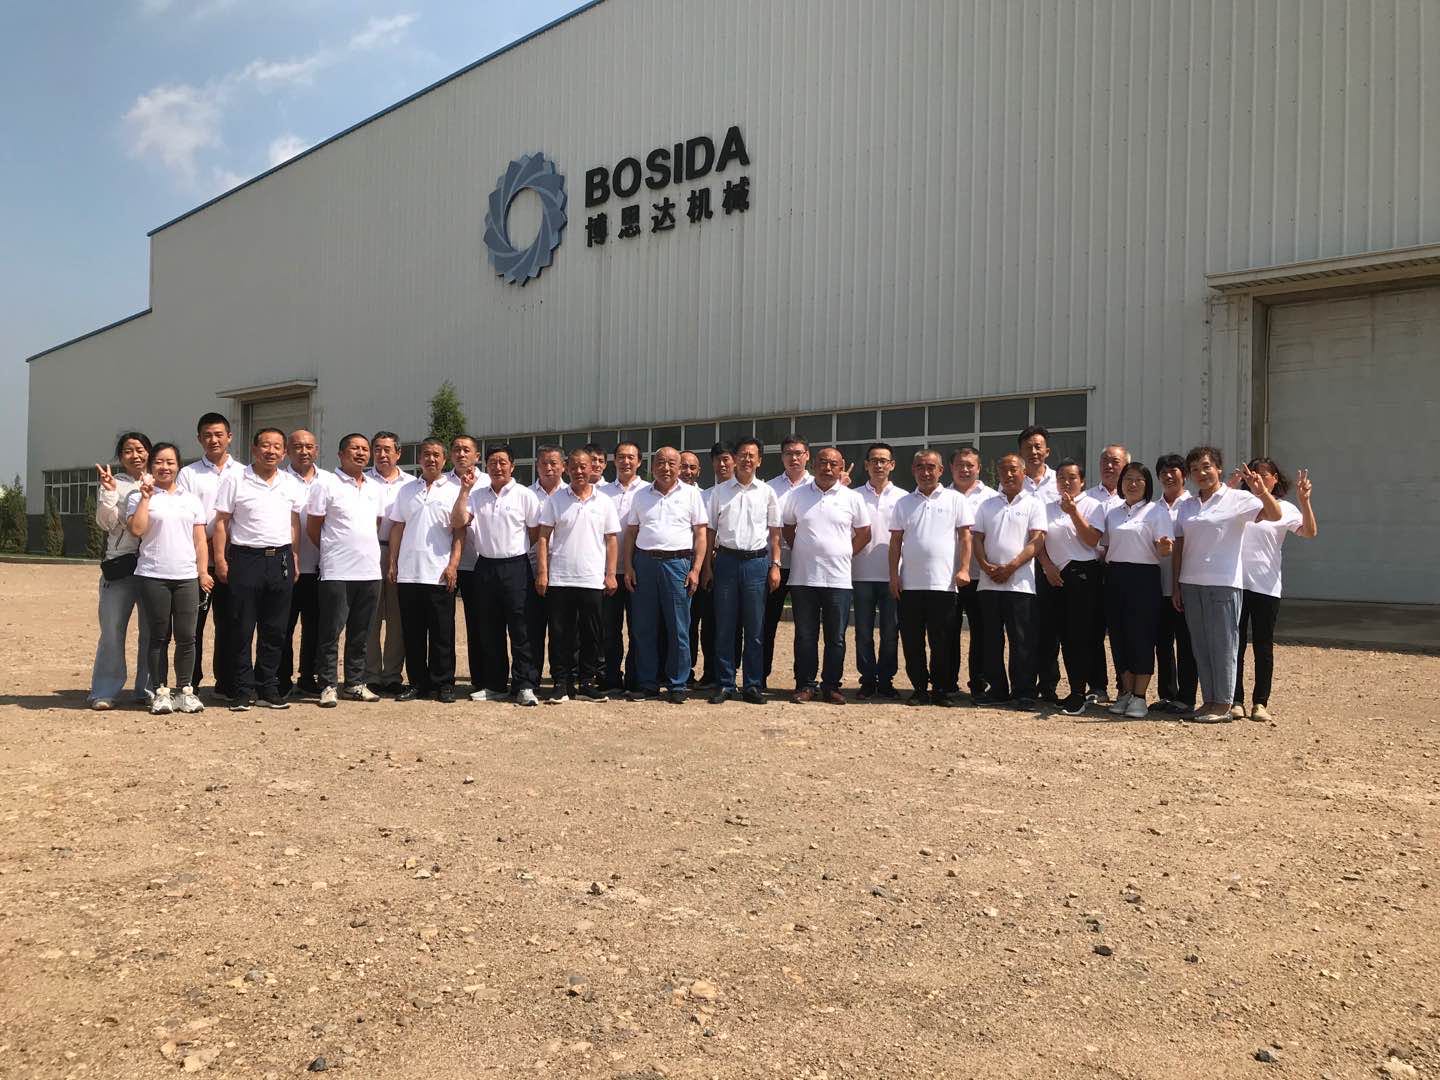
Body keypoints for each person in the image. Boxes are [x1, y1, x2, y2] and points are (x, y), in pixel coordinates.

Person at [1172, 447, 1284, 723]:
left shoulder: (1238, 499)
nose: (1201, 473)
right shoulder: (1187, 505)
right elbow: (1180, 546)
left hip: (1223, 583)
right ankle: (1209, 700)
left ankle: (1223, 703)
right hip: (1191, 582)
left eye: (1206, 466)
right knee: (1201, 645)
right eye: (1195, 469)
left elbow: (1275, 515)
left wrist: (1261, 491)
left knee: (1223, 645)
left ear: (1218, 469)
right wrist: (1176, 585)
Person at [212, 427, 305, 711]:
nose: (271, 451)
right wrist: (220, 559)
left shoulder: (290, 482)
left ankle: (268, 687)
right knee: (241, 627)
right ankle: (242, 689)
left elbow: (294, 522)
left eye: (277, 446)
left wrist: (295, 555)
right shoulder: (236, 479)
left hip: (280, 559)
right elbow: (221, 521)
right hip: (245, 559)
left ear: (284, 452)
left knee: (275, 629)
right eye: (265, 445)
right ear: (254, 449)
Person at [450, 443, 544, 706]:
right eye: (492, 462)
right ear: (486, 466)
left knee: (521, 628)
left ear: (512, 466)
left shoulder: (525, 495)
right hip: (485, 567)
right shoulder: (477, 495)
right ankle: (495, 685)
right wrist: (464, 490)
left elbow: (535, 533)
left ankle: (525, 685)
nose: (497, 467)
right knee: (489, 629)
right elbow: (457, 522)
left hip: (516, 567)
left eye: (503, 462)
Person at [127, 443, 210, 715]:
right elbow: (137, 529)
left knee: (187, 637)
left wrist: (203, 572)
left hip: (186, 577)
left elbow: (200, 540)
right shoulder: (139, 496)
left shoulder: (191, 499)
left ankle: (185, 691)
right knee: (159, 637)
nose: (165, 467)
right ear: (151, 466)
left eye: (170, 462)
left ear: (178, 466)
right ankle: (160, 692)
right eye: (159, 462)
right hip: (153, 575)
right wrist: (145, 497)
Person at [1231, 460, 1318, 722]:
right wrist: (1229, 488)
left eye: (1264, 475)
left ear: (1275, 478)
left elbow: (1309, 532)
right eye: (1253, 474)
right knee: (1235, 646)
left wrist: (1305, 501)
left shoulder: (1285, 508)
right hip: (1235, 583)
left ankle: (1260, 703)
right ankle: (1235, 700)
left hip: (1266, 586)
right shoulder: (1239, 503)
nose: (1258, 478)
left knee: (1263, 645)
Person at [782, 446, 870, 704]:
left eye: (833, 464)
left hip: (838, 579)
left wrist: (845, 553)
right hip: (803, 578)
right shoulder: (797, 496)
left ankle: (831, 686)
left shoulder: (852, 498)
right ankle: (805, 685)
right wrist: (803, 549)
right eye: (822, 462)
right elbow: (788, 528)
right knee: (805, 635)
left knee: (836, 638)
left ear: (841, 467)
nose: (827, 468)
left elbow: (864, 533)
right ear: (814, 465)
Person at [622, 447, 708, 702]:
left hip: (678, 564)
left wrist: (696, 569)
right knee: (643, 627)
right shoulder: (641, 495)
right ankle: (647, 682)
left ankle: (677, 684)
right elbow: (631, 534)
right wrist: (628, 566)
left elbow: (701, 534)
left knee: (679, 628)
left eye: (671, 463)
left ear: (679, 467)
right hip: (645, 564)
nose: (666, 468)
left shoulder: (691, 494)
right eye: (660, 462)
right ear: (652, 466)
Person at [888, 449, 972, 707]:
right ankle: (919, 689)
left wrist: (964, 569)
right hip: (910, 584)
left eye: (930, 467)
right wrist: (893, 576)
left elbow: (965, 537)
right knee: (912, 640)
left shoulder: (956, 499)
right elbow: (895, 542)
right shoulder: (903, 503)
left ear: (940, 470)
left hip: (943, 584)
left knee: (942, 641)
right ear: (913, 470)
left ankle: (941, 690)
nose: (925, 472)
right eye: (920, 467)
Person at [537, 447, 621, 702]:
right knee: (560, 634)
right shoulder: (556, 500)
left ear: (592, 467)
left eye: (583, 466)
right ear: (566, 469)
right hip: (560, 578)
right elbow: (543, 537)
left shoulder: (604, 501)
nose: (579, 471)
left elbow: (612, 540)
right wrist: (543, 572)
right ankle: (561, 682)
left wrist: (610, 574)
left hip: (591, 579)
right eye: (573, 466)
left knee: (591, 633)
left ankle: (586, 682)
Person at [307, 433, 385, 707]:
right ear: (341, 454)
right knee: (330, 631)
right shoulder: (325, 484)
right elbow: (313, 527)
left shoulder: (375, 487)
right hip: (337, 571)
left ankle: (354, 683)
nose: (361, 453)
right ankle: (328, 684)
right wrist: (333, 550)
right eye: (355, 448)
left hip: (370, 571)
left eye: (365, 449)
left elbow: (375, 525)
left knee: (361, 632)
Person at [705, 437, 782, 704]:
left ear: (759, 460)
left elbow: (775, 534)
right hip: (726, 561)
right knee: (725, 626)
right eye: (742, 455)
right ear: (735, 458)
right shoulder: (719, 492)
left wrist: (775, 565)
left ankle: (752, 684)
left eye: (752, 455)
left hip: (756, 563)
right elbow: (710, 531)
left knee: (755, 627)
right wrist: (707, 567)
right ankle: (725, 683)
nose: (747, 459)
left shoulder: (767, 492)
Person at [387, 438, 464, 702]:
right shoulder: (407, 490)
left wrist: (453, 565)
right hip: (409, 574)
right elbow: (397, 527)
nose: (431, 459)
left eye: (436, 455)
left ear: (444, 459)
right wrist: (393, 562)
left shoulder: (454, 490)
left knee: (442, 633)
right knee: (413, 633)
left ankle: (444, 684)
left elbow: (459, 533)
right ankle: (417, 682)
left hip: (439, 574)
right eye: (426, 455)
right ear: (419, 459)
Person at [1098, 463, 1174, 719]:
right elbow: (1105, 547)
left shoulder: (1156, 512)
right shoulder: (1113, 513)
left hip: (1143, 578)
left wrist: (1165, 547)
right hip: (1115, 576)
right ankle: (1126, 693)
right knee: (1119, 636)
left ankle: (1140, 697)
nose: (1132, 484)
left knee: (1141, 637)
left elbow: (1165, 549)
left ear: (1147, 484)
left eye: (1139, 480)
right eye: (1128, 479)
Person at [176, 412, 244, 699]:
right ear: (199, 439)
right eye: (207, 435)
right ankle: (189, 683)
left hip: (234, 560)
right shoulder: (188, 474)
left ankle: (226, 683)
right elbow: (184, 514)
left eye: (219, 434)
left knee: (230, 624)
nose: (213, 440)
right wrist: (205, 548)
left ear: (229, 436)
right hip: (199, 562)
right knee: (194, 626)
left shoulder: (244, 473)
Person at [971, 453, 1047, 708]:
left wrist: (1011, 566)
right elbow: (977, 539)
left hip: (1020, 584)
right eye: (1004, 470)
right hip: (989, 583)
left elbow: (1037, 540)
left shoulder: (1034, 504)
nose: (1009, 474)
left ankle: (1024, 691)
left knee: (1022, 640)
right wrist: (984, 565)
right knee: (991, 639)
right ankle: (997, 690)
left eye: (1014, 469)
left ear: (1024, 472)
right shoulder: (987, 505)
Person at [1034, 460, 1107, 715]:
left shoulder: (1093, 505)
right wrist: (1046, 566)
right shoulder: (1046, 507)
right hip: (1053, 574)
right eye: (1061, 477)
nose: (1066, 482)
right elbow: (1038, 541)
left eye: (1072, 477)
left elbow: (1091, 540)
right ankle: (1062, 689)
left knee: (1079, 635)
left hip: (1082, 573)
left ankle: (1079, 691)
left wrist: (1073, 512)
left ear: (1082, 481)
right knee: (1058, 634)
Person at [89, 431, 152, 710]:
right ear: (120, 456)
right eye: (128, 450)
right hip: (121, 566)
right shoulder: (113, 483)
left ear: (149, 452)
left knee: (152, 632)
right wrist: (110, 492)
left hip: (154, 566)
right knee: (112, 632)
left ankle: (148, 689)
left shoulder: (159, 481)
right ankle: (105, 690)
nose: (135, 455)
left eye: (140, 449)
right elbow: (105, 523)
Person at [852, 441, 906, 700]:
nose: (879, 465)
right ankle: (867, 680)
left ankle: (886, 680)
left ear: (892, 465)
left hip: (892, 576)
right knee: (863, 632)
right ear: (866, 465)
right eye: (874, 460)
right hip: (860, 573)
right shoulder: (853, 496)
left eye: (883, 460)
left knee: (890, 633)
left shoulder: (904, 498)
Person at [364, 431, 415, 695]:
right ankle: (371, 674)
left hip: (400, 553)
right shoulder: (362, 480)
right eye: (377, 449)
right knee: (369, 615)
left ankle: (393, 674)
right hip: (368, 552)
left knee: (398, 616)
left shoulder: (411, 484)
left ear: (398, 453)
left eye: (387, 450)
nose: (382, 455)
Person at [597, 442, 649, 691]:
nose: (626, 462)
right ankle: (611, 677)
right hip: (608, 571)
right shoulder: (601, 492)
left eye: (631, 457)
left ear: (639, 461)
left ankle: (636, 677)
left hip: (639, 569)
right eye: (621, 457)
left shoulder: (648, 491)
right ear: (614, 461)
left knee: (639, 627)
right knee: (609, 629)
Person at [1018, 427, 1064, 701]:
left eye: (1038, 446)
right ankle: (1024, 684)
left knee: (1049, 627)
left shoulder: (1059, 481)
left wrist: (1047, 563)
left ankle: (1048, 685)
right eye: (1028, 447)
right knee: (1024, 627)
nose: (1033, 452)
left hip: (1052, 567)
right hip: (1022, 565)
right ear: (1021, 452)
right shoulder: (1013, 481)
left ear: (1047, 451)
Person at [279, 429, 325, 698]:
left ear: (316, 450)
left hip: (321, 566)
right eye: (297, 446)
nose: (304, 451)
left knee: (316, 627)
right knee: (282, 626)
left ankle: (309, 676)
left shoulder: (329, 480)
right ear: (287, 450)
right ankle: (281, 678)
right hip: (287, 566)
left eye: (309, 446)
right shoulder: (279, 480)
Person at [764, 435, 813, 685]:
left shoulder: (818, 485)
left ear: (807, 456)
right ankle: (759, 678)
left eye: (798, 453)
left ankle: (803, 681)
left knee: (806, 627)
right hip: (776, 565)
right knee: (766, 623)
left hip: (807, 568)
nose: (794, 458)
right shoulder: (769, 488)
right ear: (781, 457)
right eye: (788, 453)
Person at [689, 442, 737, 688]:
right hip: (703, 563)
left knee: (726, 621)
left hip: (729, 561)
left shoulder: (742, 493)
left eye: (726, 459)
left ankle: (724, 672)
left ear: (735, 461)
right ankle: (705, 672)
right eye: (717, 460)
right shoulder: (704, 495)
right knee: (704, 620)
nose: (722, 464)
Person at [949, 446, 995, 700]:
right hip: (948, 577)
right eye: (960, 465)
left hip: (981, 576)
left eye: (970, 465)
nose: (965, 470)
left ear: (978, 468)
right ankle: (947, 682)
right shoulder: (942, 495)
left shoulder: (991, 497)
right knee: (947, 631)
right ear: (951, 468)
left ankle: (979, 682)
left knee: (981, 632)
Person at [1153, 454, 1196, 714]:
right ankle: (1167, 694)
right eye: (1163, 472)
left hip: (1186, 584)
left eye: (1174, 471)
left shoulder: (1192, 505)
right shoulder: (1152, 508)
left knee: (1186, 643)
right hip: (1158, 585)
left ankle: (1187, 696)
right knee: (1163, 643)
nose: (1168, 476)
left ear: (1184, 475)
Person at [446, 435, 487, 693]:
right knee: (444, 625)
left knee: (478, 623)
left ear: (477, 456)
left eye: (466, 450)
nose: (461, 454)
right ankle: (444, 680)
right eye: (457, 450)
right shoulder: (441, 482)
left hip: (477, 563)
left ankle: (481, 679)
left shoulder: (488, 482)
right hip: (444, 564)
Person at [526, 445, 566, 689]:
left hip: (563, 571)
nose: (549, 468)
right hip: (531, 569)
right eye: (544, 463)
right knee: (532, 628)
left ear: (563, 466)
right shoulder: (527, 495)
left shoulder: (571, 493)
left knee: (562, 629)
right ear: (536, 466)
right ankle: (531, 679)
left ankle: (562, 679)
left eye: (554, 463)